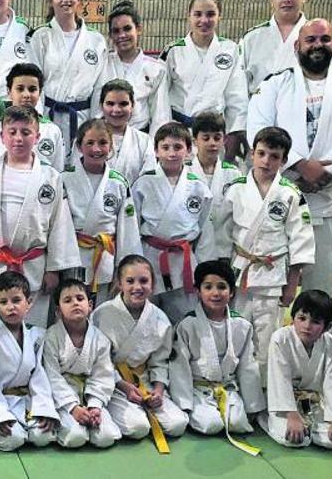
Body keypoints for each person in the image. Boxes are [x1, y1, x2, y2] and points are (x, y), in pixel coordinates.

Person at [247, 18, 332, 296]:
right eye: (311, 40)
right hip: (281, 190)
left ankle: (315, 336)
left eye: (324, 39)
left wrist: (327, 172)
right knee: (269, 277)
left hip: (329, 197)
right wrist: (300, 166)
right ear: (297, 45)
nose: (318, 45)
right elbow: (258, 131)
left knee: (322, 279)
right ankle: (268, 335)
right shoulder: (274, 84)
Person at [0, 105, 80, 325]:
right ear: (2, 136)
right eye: (12, 132)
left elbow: (60, 226)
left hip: (33, 267)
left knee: (33, 331)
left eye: (26, 132)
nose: (18, 138)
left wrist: (53, 269)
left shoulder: (51, 177)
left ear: (37, 136)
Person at [216, 127, 315, 370]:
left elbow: (301, 240)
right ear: (252, 153)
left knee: (267, 337)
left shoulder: (291, 194)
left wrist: (292, 282)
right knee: (234, 331)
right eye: (261, 153)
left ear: (284, 160)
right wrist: (219, 276)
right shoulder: (235, 189)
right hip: (239, 272)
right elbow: (219, 234)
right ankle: (233, 382)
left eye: (274, 156)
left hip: (272, 277)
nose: (266, 161)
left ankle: (262, 392)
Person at [91, 254, 189, 448]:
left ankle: (145, 406)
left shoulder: (160, 318)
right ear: (119, 283)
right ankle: (114, 410)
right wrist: (124, 387)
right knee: (138, 428)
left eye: (144, 281)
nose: (137, 287)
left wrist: (159, 391)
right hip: (113, 382)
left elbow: (160, 361)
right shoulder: (102, 314)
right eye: (130, 281)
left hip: (145, 382)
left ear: (152, 284)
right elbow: (99, 361)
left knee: (178, 424)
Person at [169, 261, 264, 455]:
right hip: (199, 389)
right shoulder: (187, 325)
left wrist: (252, 405)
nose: (215, 293)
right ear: (198, 291)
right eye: (208, 287)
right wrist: (183, 405)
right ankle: (195, 409)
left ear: (231, 292)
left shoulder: (241, 325)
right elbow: (180, 367)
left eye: (222, 287)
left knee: (237, 423)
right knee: (210, 424)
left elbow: (248, 366)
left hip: (227, 387)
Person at [130, 122, 213, 324]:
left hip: (184, 262)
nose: (172, 153)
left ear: (189, 150)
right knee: (145, 320)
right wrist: (132, 265)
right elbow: (131, 228)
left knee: (185, 320)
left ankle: (182, 355)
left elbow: (205, 233)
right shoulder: (143, 183)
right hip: (149, 256)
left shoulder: (198, 187)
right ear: (156, 151)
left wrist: (204, 271)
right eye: (165, 147)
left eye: (178, 147)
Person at [0, 272, 59, 451]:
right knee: (13, 439)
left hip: (26, 401)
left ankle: (28, 422)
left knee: (43, 436)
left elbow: (39, 376)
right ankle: (1, 422)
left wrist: (43, 408)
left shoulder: (37, 334)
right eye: (3, 302)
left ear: (29, 303)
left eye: (16, 300)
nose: (10, 307)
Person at [60, 119, 141, 304]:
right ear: (79, 146)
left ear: (111, 147)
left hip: (106, 258)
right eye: (90, 143)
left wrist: (125, 270)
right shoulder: (65, 178)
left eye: (103, 143)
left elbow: (127, 231)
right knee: (72, 311)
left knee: (102, 313)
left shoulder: (119, 183)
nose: (96, 149)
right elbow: (57, 227)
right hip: (73, 257)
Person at [261, 290, 332, 451]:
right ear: (293, 318)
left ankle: (311, 428)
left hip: (312, 404)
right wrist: (292, 415)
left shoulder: (330, 344)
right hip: (284, 406)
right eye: (302, 318)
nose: (307, 326)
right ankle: (266, 418)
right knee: (294, 439)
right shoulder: (280, 338)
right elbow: (279, 378)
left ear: (327, 327)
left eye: (315, 322)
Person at [161, 0, 247, 156]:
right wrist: (164, 131)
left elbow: (237, 96)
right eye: (198, 14)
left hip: (214, 135)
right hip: (180, 132)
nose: (204, 20)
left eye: (210, 14)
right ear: (189, 16)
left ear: (219, 16)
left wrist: (235, 132)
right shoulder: (173, 50)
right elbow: (161, 97)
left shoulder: (230, 50)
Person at [30, 0, 107, 159]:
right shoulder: (41, 36)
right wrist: (38, 119)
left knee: (78, 170)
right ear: (51, 0)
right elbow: (34, 82)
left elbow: (100, 87)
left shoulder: (96, 40)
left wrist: (95, 124)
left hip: (82, 117)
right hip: (48, 115)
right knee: (48, 168)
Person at [42, 279, 120, 448]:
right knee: (75, 438)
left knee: (105, 438)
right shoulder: (51, 337)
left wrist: (95, 406)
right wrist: (73, 407)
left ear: (90, 305)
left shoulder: (100, 339)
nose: (75, 303)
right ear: (58, 310)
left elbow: (103, 376)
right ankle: (72, 419)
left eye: (80, 298)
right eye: (67, 300)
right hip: (64, 398)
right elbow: (52, 377)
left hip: (91, 394)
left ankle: (94, 414)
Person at [98, 1, 169, 133]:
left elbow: (160, 115)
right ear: (110, 35)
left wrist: (155, 147)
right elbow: (95, 108)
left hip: (141, 136)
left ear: (138, 29)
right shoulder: (102, 63)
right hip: (106, 137)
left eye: (127, 28)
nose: (122, 35)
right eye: (116, 31)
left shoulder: (156, 68)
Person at [186, 112, 243, 261]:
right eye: (206, 138)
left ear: (224, 140)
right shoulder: (184, 172)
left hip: (223, 249)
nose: (212, 143)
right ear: (194, 141)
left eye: (217, 138)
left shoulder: (234, 174)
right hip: (191, 251)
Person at [241, 0, 309, 93]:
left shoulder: (317, 37)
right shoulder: (252, 38)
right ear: (272, 0)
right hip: (258, 109)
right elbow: (239, 85)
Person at [0, 63, 66, 171]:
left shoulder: (52, 131)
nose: (26, 95)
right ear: (9, 92)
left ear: (40, 93)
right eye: (20, 89)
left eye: (32, 89)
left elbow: (57, 173)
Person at [90, 78, 155, 183]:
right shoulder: (86, 137)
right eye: (110, 104)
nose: (116, 110)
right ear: (101, 105)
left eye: (123, 104)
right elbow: (77, 177)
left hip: (132, 199)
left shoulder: (144, 142)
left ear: (132, 106)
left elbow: (148, 183)